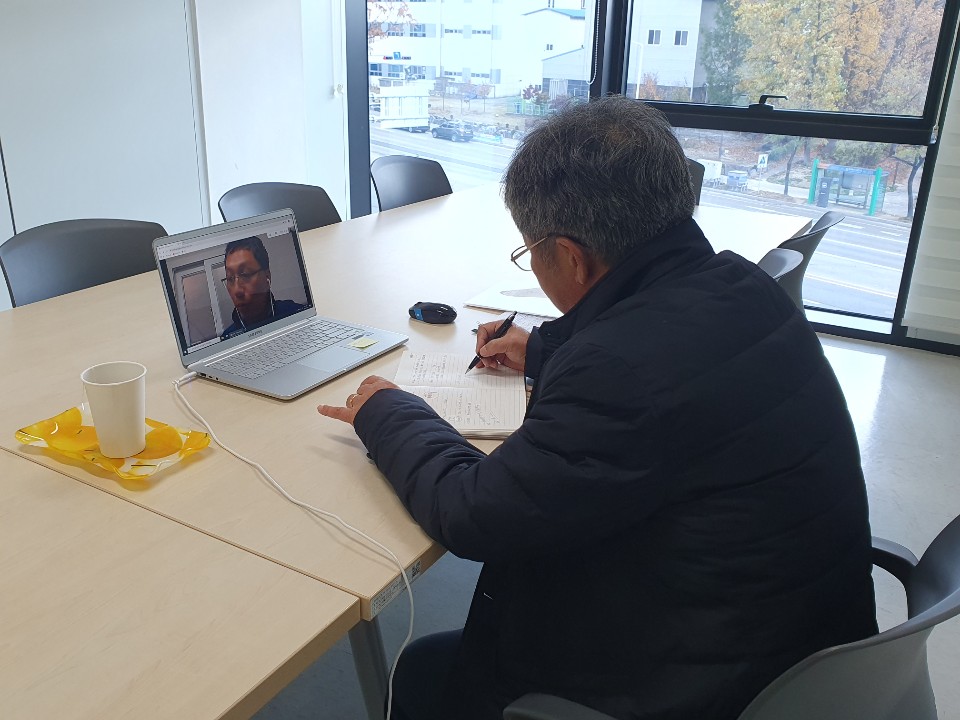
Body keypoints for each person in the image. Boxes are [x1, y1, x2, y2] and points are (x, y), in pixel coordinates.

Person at [318, 96, 877, 720]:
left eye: (530, 250)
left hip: (705, 681)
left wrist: (389, 412)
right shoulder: (743, 287)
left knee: (425, 673)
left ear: (571, 255)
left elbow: (472, 512)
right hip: (798, 651)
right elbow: (664, 356)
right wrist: (544, 349)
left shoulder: (620, 371)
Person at [220, 236, 306, 339]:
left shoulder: (295, 313)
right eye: (230, 278)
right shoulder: (227, 338)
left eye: (245, 274)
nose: (237, 290)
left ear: (267, 276)